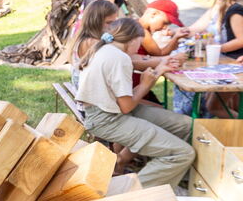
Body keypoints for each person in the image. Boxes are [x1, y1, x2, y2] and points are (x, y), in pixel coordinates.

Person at [76, 18, 194, 190]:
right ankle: (130, 196)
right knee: (182, 153)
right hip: (107, 119)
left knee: (186, 125)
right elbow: (126, 106)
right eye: (139, 43)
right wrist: (146, 84)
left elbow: (123, 102)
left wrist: (159, 69)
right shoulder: (119, 57)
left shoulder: (107, 50)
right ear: (132, 40)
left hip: (110, 111)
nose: (137, 47)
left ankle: (171, 178)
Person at [71, 0, 119, 86]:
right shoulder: (91, 42)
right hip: (88, 91)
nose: (113, 26)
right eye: (108, 22)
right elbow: (114, 62)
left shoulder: (83, 37)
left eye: (115, 22)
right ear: (95, 21)